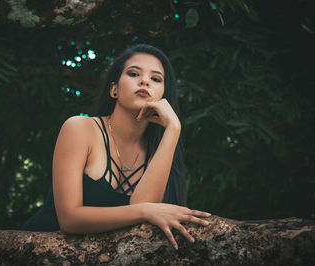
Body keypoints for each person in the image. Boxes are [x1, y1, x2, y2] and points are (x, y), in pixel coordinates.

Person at [21, 44, 211, 250]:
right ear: (114, 89)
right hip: (33, 251)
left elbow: (141, 215)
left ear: (164, 96)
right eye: (133, 73)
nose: (145, 81)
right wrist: (146, 211)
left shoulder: (158, 152)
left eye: (156, 79)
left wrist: (173, 129)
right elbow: (69, 219)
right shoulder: (80, 128)